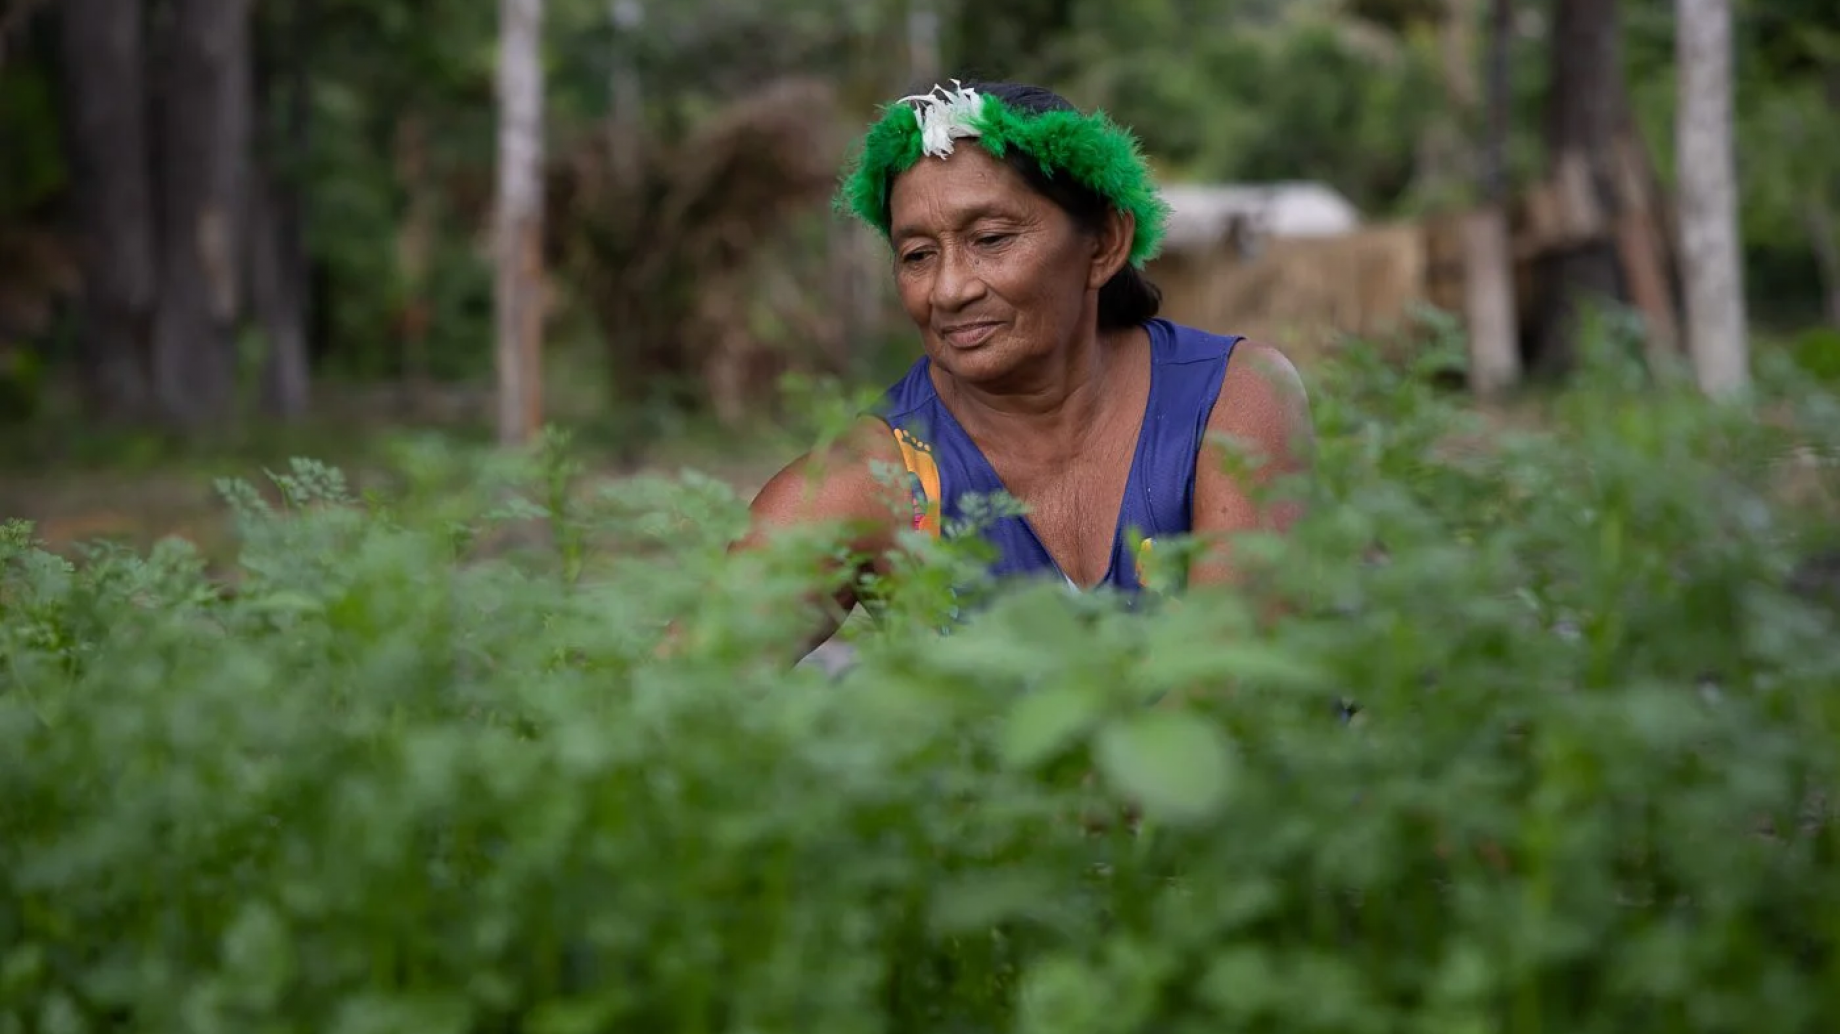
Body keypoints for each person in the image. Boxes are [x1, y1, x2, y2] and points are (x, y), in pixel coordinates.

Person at [729, 79, 1315, 663]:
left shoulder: (1230, 399)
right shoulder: (873, 478)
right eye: (918, 255)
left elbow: (1233, 681)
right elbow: (696, 681)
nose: (949, 290)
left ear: (1105, 244)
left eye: (990, 239)